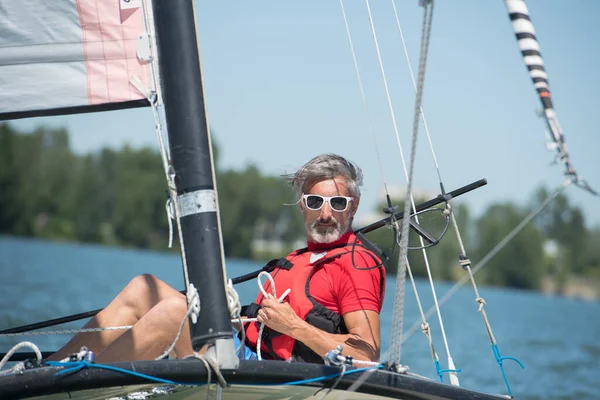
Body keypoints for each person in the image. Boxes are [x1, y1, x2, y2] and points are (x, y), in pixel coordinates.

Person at [49, 153, 385, 364]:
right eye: (315, 202)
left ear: (353, 206)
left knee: (174, 312)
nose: (325, 213)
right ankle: (44, 374)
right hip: (245, 353)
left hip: (274, 381)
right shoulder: (303, 257)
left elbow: (366, 354)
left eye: (337, 204)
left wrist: (294, 327)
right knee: (144, 288)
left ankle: (84, 387)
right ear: (302, 204)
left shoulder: (356, 265)